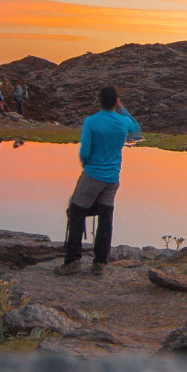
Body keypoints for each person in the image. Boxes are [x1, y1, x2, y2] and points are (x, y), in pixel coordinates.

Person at [57, 84, 142, 275]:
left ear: (99, 100)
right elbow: (136, 129)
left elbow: (85, 152)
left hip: (93, 174)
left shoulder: (92, 122)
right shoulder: (122, 122)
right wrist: (122, 108)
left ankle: (72, 261)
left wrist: (86, 165)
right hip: (113, 178)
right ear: (115, 101)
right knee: (106, 218)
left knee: (76, 211)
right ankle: (100, 263)